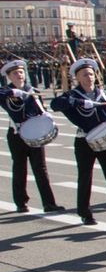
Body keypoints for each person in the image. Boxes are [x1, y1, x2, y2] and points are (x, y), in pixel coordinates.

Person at [49, 57, 106, 225]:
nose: (89, 77)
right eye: (85, 75)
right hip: (84, 141)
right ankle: (85, 212)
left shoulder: (103, 94)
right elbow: (55, 104)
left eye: (91, 74)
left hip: (105, 140)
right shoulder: (73, 95)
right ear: (78, 78)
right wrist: (80, 102)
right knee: (85, 177)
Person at [2, 58, 63, 214]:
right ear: (9, 76)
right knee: (19, 168)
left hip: (35, 135)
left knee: (41, 169)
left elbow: (40, 110)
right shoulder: (6, 93)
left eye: (21, 72)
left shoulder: (33, 91)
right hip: (16, 135)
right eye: (15, 73)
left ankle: (49, 203)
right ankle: (21, 203)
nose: (19, 75)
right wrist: (11, 91)